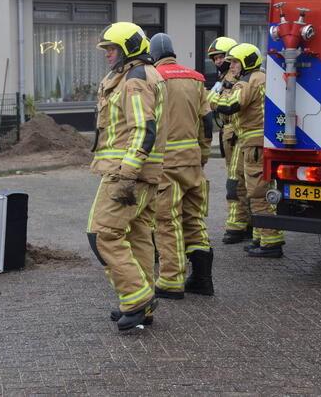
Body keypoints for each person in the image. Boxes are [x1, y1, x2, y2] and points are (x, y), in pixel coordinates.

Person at [87, 22, 168, 331]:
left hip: (127, 174)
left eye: (112, 49)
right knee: (137, 236)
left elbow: (142, 130)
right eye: (106, 50)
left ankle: (137, 299)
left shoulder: (134, 81)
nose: (107, 55)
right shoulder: (140, 75)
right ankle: (140, 305)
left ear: (128, 49)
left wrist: (127, 175)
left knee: (102, 234)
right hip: (144, 174)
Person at [149, 33, 214, 299]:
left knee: (167, 222)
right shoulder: (196, 78)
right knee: (194, 219)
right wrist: (203, 154)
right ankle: (202, 280)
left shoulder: (152, 77)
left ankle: (170, 281)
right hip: (192, 161)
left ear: (154, 54)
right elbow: (207, 121)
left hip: (165, 164)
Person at [215, 44, 285, 258]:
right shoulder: (260, 78)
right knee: (259, 190)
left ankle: (270, 242)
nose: (232, 66)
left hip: (255, 144)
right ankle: (261, 237)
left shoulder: (249, 81)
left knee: (258, 192)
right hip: (257, 143)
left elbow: (230, 105)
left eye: (235, 62)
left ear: (246, 62)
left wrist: (211, 98)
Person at [206, 37, 253, 245]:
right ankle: (247, 222)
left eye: (221, 57)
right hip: (229, 132)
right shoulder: (225, 78)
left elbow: (229, 104)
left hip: (236, 132)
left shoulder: (235, 79)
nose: (217, 61)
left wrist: (210, 98)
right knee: (238, 178)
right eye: (214, 58)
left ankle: (238, 224)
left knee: (237, 180)